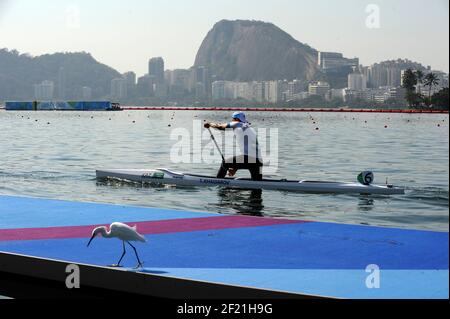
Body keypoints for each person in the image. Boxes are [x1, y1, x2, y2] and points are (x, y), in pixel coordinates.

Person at [204, 111, 263, 181]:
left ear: (236, 119)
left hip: (249, 159)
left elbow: (219, 127)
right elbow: (249, 154)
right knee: (257, 184)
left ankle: (218, 182)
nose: (231, 120)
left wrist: (209, 124)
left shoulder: (237, 123)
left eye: (232, 119)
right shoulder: (250, 128)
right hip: (258, 161)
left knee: (225, 163)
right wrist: (235, 168)